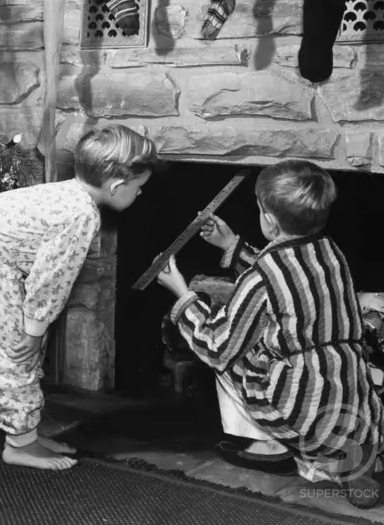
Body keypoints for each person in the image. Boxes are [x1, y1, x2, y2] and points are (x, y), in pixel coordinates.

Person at [157, 159, 384, 509]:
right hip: (351, 387)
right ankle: (348, 453)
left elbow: (219, 345)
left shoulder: (261, 276)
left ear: (269, 220)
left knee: (224, 349)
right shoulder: (330, 250)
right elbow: (287, 278)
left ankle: (269, 448)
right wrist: (231, 244)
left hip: (301, 402)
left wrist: (182, 294)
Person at [0, 124, 158, 470]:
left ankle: (27, 434)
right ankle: (18, 446)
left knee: (27, 347)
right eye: (139, 188)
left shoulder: (73, 193)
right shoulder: (80, 215)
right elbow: (51, 280)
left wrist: (35, 332)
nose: (140, 195)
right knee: (14, 352)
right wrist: (33, 331)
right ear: (117, 186)